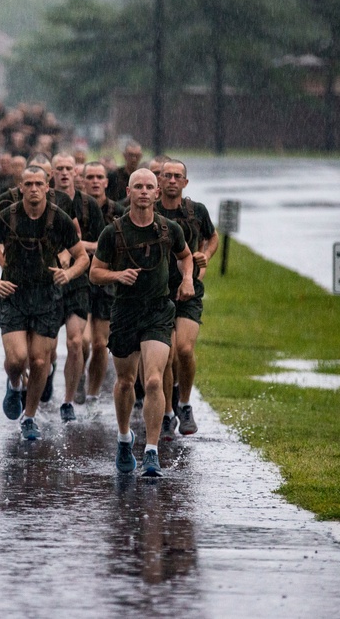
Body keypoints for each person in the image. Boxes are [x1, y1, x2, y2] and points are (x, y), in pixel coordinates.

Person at [90, 168, 194, 477]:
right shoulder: (114, 232)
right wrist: (118, 275)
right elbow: (95, 273)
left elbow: (185, 256)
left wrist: (187, 278)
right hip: (124, 311)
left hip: (158, 311)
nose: (145, 191)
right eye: (139, 186)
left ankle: (151, 451)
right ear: (129, 192)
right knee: (124, 382)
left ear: (158, 193)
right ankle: (124, 438)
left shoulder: (169, 229)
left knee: (152, 379)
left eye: (150, 186)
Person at [0, 166, 88, 440]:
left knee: (41, 361)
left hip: (46, 296)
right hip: (14, 295)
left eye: (38, 184)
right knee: (18, 359)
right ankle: (15, 383)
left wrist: (68, 273)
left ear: (47, 187)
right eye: (28, 184)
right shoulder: (7, 216)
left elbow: (82, 257)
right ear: (21, 187)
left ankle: (29, 417)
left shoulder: (60, 219)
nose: (33, 188)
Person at [155, 159, 218, 440]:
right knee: (166, 356)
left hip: (189, 289)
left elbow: (212, 238)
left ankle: (185, 403)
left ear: (185, 182)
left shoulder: (197, 211)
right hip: (158, 291)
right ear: (159, 180)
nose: (171, 180)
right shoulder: (150, 212)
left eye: (176, 176)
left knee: (184, 349)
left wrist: (205, 259)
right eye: (166, 175)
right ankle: (167, 412)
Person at [51, 153, 105, 422]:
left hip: (79, 280)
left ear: (76, 174)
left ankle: (68, 400)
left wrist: (76, 248)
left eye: (68, 168)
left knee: (76, 342)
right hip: (47, 282)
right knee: (44, 351)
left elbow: (103, 246)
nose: (63, 173)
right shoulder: (41, 199)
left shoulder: (89, 206)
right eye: (58, 168)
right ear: (51, 173)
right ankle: (45, 375)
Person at [81, 161, 126, 416]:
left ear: (106, 182)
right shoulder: (74, 209)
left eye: (100, 177)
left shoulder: (118, 212)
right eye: (90, 177)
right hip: (80, 283)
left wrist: (88, 246)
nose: (95, 181)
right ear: (83, 180)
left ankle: (93, 394)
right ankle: (77, 374)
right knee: (83, 342)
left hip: (108, 285)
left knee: (100, 344)